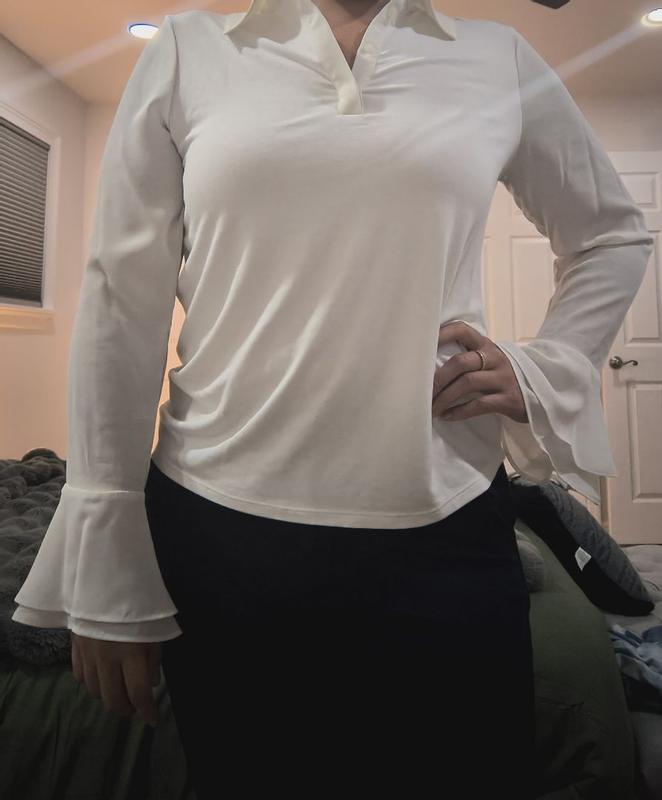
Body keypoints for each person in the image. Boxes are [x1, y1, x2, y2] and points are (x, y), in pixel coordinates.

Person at [12, 0, 653, 798]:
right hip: (218, 537)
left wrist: (546, 368)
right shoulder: (188, 50)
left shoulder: (498, 57)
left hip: (446, 529)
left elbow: (610, 235)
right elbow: (121, 300)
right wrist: (103, 542)